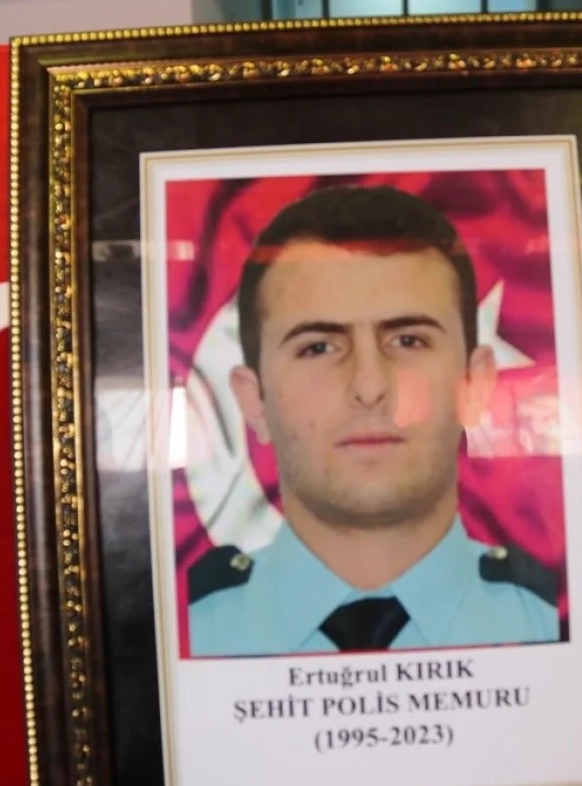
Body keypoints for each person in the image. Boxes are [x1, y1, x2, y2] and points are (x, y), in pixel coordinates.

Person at [185, 183, 561, 657]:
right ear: (253, 400)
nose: (369, 386)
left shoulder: (564, 618)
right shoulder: (174, 632)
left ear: (477, 383)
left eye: (408, 341)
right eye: (318, 347)